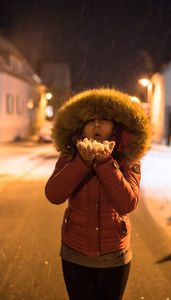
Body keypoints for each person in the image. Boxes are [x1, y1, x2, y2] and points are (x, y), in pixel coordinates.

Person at [45, 88, 151, 300]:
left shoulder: (128, 157)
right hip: (75, 252)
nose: (96, 125)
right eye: (90, 119)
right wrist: (82, 162)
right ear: (81, 126)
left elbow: (128, 203)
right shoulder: (70, 155)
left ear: (115, 125)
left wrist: (104, 162)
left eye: (103, 119)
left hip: (114, 255)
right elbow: (54, 194)